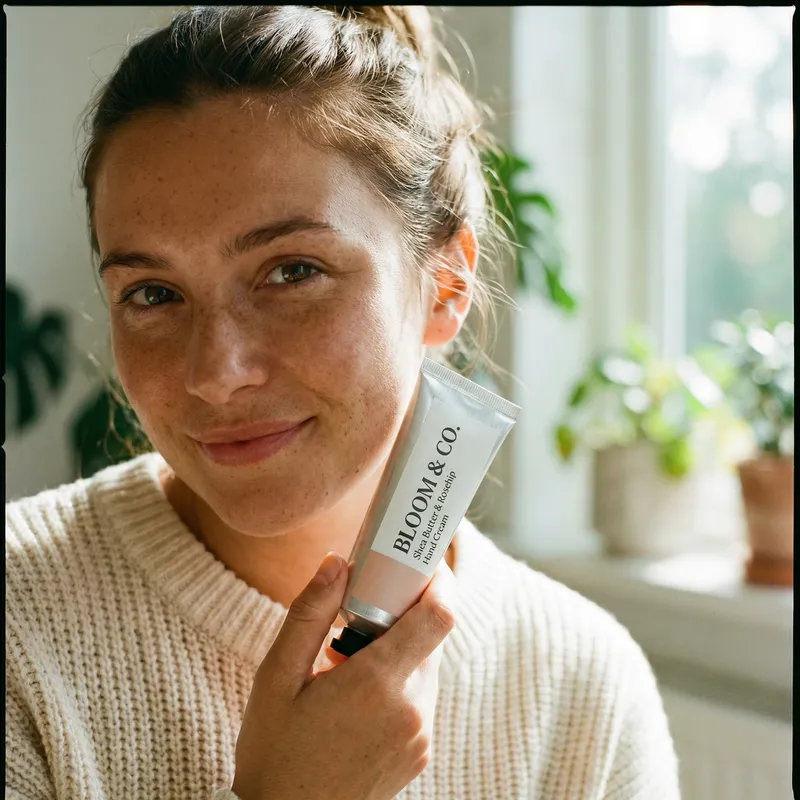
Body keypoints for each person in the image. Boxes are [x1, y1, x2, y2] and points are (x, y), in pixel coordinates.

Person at [5, 6, 681, 799]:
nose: (216, 373)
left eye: (293, 272)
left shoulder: (582, 686)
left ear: (448, 284)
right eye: (153, 293)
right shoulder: (21, 628)